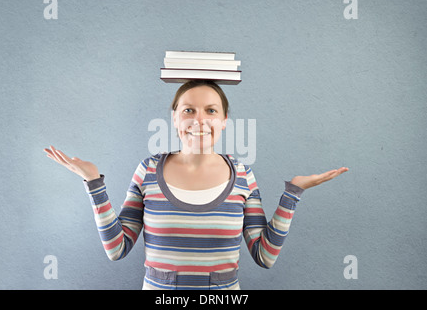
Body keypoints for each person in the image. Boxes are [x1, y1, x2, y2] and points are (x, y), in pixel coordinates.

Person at [44, 80, 348, 290]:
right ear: (175, 118)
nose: (199, 119)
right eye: (188, 109)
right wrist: (94, 183)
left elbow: (265, 256)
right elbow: (117, 248)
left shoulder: (243, 175)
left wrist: (292, 193)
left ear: (225, 119)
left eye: (211, 110)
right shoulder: (148, 171)